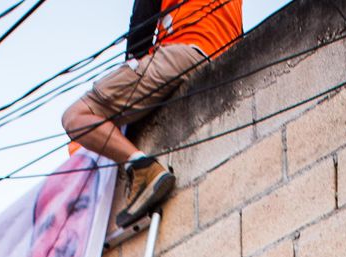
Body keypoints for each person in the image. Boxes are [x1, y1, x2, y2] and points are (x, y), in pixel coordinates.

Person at [62, 0, 244, 228]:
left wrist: (131, 68)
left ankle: (142, 167)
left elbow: (142, 20)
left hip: (183, 52)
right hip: (221, 60)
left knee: (77, 116)